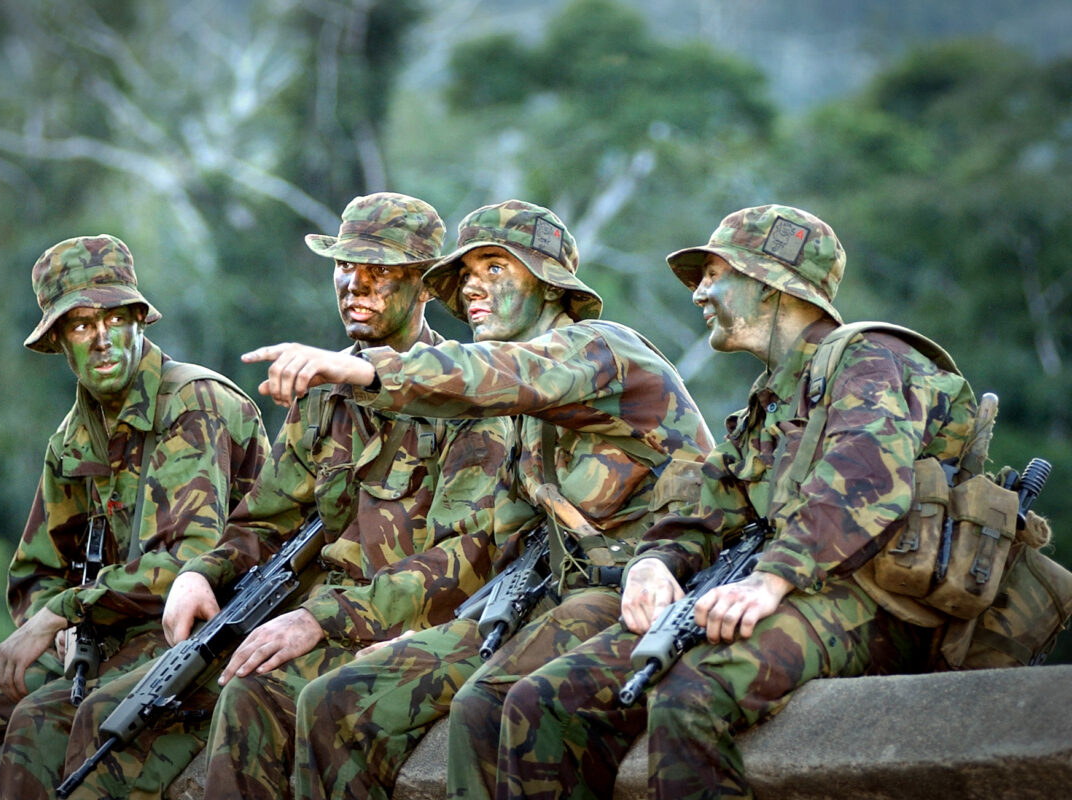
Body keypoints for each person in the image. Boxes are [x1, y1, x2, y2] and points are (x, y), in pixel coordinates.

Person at [491, 204, 980, 800]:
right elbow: (706, 503)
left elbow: (866, 480)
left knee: (690, 697)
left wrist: (771, 579)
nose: (699, 294)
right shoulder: (770, 400)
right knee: (542, 701)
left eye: (713, 275)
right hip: (783, 590)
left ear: (772, 284)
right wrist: (655, 564)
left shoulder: (871, 357)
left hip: (872, 597)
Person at [59, 192, 513, 800]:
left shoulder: (468, 397)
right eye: (344, 266)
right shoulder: (324, 395)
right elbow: (267, 521)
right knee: (108, 712)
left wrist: (319, 618)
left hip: (398, 627)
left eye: (381, 270)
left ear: (426, 285)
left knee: (253, 698)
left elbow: (465, 559)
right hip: (303, 615)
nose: (356, 283)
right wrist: (200, 573)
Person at [269, 199, 715, 800]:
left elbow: (503, 372)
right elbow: (497, 542)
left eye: (496, 270)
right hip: (545, 597)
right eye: (467, 277)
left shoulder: (602, 351)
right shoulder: (521, 416)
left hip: (643, 589)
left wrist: (367, 372)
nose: (475, 289)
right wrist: (426, 631)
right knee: (338, 699)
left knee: (492, 703)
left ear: (551, 285)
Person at [0, 234, 269, 800]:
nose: (103, 339)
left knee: (41, 725)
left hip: (196, 638)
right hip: (101, 641)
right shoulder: (73, 437)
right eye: (82, 325)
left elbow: (187, 563)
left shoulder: (193, 404)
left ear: (139, 321)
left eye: (115, 318)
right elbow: (37, 572)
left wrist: (61, 613)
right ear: (59, 342)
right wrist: (56, 626)